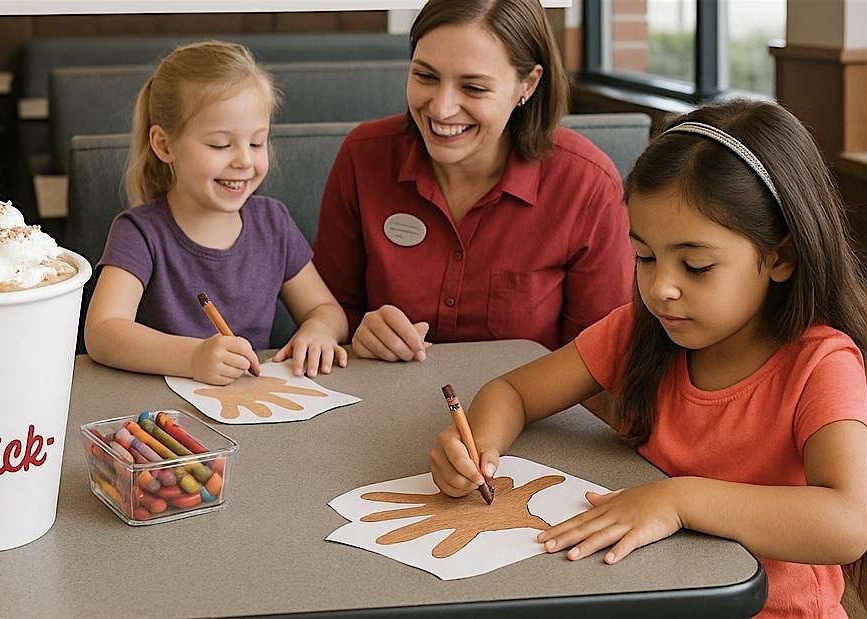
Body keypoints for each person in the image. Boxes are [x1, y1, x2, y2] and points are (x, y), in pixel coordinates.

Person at [430, 100, 867, 617]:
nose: (661, 288)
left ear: (780, 256)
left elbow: (847, 522)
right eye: (644, 257)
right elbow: (514, 391)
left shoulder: (820, 365)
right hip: (645, 592)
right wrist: (477, 448)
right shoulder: (639, 332)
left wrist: (677, 501)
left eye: (697, 266)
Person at [313, 0, 633, 363]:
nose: (441, 108)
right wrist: (358, 333)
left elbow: (600, 359)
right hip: (382, 397)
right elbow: (327, 309)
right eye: (426, 77)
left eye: (474, 88)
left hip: (535, 413)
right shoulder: (363, 157)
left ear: (527, 84)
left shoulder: (586, 185)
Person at [85, 41, 348, 385]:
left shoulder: (274, 223)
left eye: (256, 143)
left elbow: (327, 311)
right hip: (162, 412)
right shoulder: (139, 232)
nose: (243, 160)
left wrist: (318, 331)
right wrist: (192, 358)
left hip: (251, 405)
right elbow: (102, 332)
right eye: (220, 145)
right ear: (165, 145)